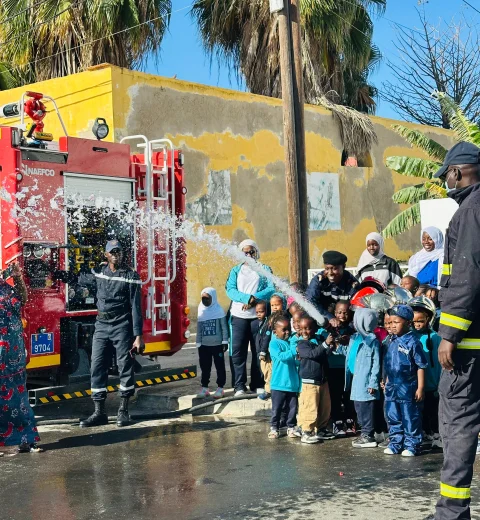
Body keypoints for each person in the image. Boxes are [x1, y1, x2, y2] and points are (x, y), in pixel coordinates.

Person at [429, 142, 480, 520]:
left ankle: (452, 514)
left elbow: (467, 274)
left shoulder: (471, 211)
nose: (447, 181)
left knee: (458, 423)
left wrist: (450, 333)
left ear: (457, 172)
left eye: (446, 174)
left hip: (468, 347)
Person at [54, 240, 144, 428]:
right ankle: (99, 413)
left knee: (124, 365)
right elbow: (77, 278)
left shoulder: (131, 276)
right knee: (97, 365)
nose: (116, 254)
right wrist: (55, 273)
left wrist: (138, 336)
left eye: (119, 251)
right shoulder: (99, 273)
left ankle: (123, 411)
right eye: (113, 252)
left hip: (122, 324)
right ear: (106, 255)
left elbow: (136, 308)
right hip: (101, 325)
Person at [0, 264, 43, 454]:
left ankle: (26, 440)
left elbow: (23, 299)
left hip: (14, 352)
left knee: (19, 397)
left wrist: (17, 277)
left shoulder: (5, 288)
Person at [225, 239, 275, 396]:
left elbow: (271, 288)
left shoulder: (264, 269)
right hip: (238, 317)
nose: (248, 255)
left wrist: (254, 299)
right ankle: (239, 385)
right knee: (238, 351)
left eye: (251, 252)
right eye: (245, 252)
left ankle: (257, 383)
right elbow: (230, 290)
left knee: (258, 351)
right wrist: (247, 299)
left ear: (256, 252)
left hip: (257, 318)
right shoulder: (235, 271)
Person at [383, 305, 427, 457]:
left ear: (408, 322)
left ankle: (412, 445)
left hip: (408, 385)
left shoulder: (413, 342)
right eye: (390, 322)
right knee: (392, 414)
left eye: (396, 322)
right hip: (392, 385)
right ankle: (395, 443)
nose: (392, 325)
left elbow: (421, 366)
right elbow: (390, 365)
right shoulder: (390, 340)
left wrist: (420, 387)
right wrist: (387, 381)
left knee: (410, 416)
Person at [336, 308, 381, 448]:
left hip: (366, 382)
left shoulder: (373, 341)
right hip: (356, 380)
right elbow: (350, 354)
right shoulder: (355, 338)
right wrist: (337, 347)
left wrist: (373, 383)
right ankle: (365, 433)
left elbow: (376, 364)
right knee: (358, 408)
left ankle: (368, 436)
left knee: (366, 408)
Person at [296, 316, 336, 444]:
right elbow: (312, 354)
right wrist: (325, 344)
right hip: (310, 383)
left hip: (322, 381)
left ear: (314, 329)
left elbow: (323, 354)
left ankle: (321, 429)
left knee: (325, 407)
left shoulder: (317, 340)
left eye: (307, 328)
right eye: (302, 329)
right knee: (310, 407)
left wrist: (329, 346)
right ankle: (307, 432)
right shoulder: (302, 344)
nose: (304, 332)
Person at [319, 301, 356, 437]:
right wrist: (332, 342)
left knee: (348, 396)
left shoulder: (352, 329)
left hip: (347, 368)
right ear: (334, 313)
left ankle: (350, 420)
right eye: (339, 312)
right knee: (335, 396)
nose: (342, 315)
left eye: (345, 312)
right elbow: (324, 345)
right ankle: (337, 421)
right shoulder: (326, 329)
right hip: (332, 368)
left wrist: (347, 340)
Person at [410, 296, 442, 448]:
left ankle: (436, 434)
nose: (417, 325)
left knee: (433, 411)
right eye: (414, 321)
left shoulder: (435, 337)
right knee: (419, 412)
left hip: (432, 383)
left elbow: (439, 361)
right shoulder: (409, 337)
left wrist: (439, 382)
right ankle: (424, 433)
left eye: (420, 321)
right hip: (416, 384)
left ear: (428, 319)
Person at [268, 313, 300, 439]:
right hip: (278, 383)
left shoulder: (292, 342)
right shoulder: (274, 344)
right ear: (275, 332)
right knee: (277, 408)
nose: (287, 332)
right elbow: (282, 357)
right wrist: (294, 350)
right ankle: (274, 427)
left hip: (292, 384)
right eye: (284, 330)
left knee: (292, 408)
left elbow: (295, 361)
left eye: (289, 329)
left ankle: (291, 427)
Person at [306, 251, 359, 325]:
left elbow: (357, 308)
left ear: (343, 267)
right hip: (324, 318)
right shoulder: (318, 280)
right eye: (327, 269)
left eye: (334, 268)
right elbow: (310, 301)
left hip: (345, 319)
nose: (330, 273)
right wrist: (329, 317)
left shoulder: (351, 283)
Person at [196, 288, 228, 399]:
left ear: (213, 298)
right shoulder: (201, 310)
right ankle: (205, 387)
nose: (205, 300)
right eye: (203, 298)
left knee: (219, 366)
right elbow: (199, 328)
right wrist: (198, 343)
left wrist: (225, 341)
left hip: (217, 345)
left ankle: (220, 388)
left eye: (207, 298)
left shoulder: (219, 311)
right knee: (205, 367)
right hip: (204, 346)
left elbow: (224, 327)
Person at [257, 294, 287, 400]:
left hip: (273, 351)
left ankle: (269, 390)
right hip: (267, 351)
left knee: (271, 371)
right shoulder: (270, 318)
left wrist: (263, 351)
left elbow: (268, 336)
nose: (274, 307)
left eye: (277, 305)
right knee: (266, 370)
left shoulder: (282, 318)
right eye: (272, 305)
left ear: (283, 304)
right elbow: (265, 336)